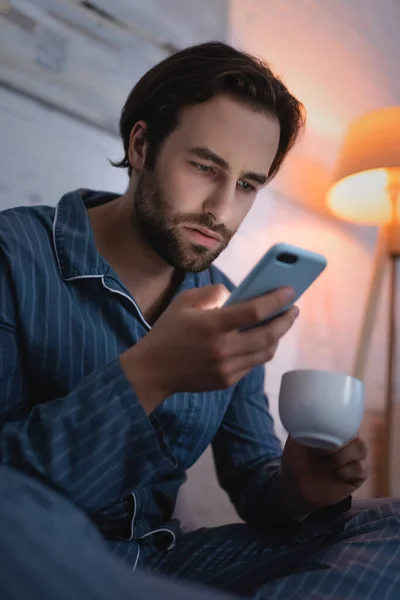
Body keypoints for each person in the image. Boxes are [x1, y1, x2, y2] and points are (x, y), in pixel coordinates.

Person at [0, 41, 399, 599]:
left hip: (164, 563)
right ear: (141, 145)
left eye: (247, 184)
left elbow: (252, 478)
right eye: (205, 167)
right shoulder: (14, 254)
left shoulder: (226, 303)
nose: (221, 209)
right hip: (39, 549)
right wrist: (148, 377)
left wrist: (298, 488)